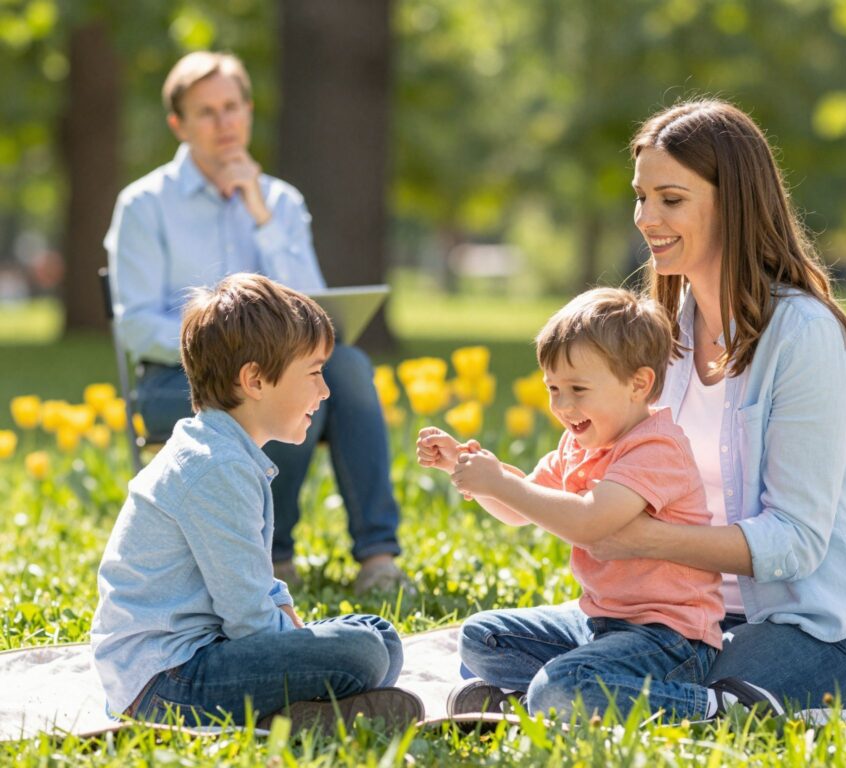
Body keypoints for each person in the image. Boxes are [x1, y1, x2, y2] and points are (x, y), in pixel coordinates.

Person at [578, 99, 846, 711]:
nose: (646, 218)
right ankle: (599, 689)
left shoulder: (803, 334)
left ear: (735, 202)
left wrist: (641, 538)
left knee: (585, 684)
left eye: (671, 199)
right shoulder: (665, 332)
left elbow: (795, 541)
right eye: (641, 197)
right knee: (494, 640)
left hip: (811, 628)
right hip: (681, 614)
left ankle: (685, 701)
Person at [105, 51, 406, 593]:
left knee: (350, 367)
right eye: (206, 112)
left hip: (272, 373)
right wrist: (227, 350)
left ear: (248, 110)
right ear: (179, 124)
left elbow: (312, 313)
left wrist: (262, 218)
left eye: (232, 107)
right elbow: (134, 324)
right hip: (179, 380)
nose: (224, 123)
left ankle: (378, 557)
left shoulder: (281, 201)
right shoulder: (145, 204)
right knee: (274, 385)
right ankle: (272, 552)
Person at [417, 288, 780, 721]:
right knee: (481, 637)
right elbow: (521, 506)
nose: (563, 405)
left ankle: (717, 707)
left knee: (562, 687)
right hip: (600, 623)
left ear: (638, 384)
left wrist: (500, 483)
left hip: (670, 639)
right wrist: (470, 470)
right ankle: (553, 700)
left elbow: (590, 521)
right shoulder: (580, 443)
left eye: (578, 389)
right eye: (553, 388)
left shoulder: (656, 448)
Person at [91, 274, 422, 728]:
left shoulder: (228, 452)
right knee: (361, 652)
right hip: (166, 683)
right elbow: (250, 618)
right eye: (313, 373)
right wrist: (307, 654)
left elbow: (259, 584)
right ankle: (307, 713)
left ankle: (309, 712)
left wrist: (302, 645)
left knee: (378, 635)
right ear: (255, 380)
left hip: (201, 658)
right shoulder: (215, 467)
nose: (325, 392)